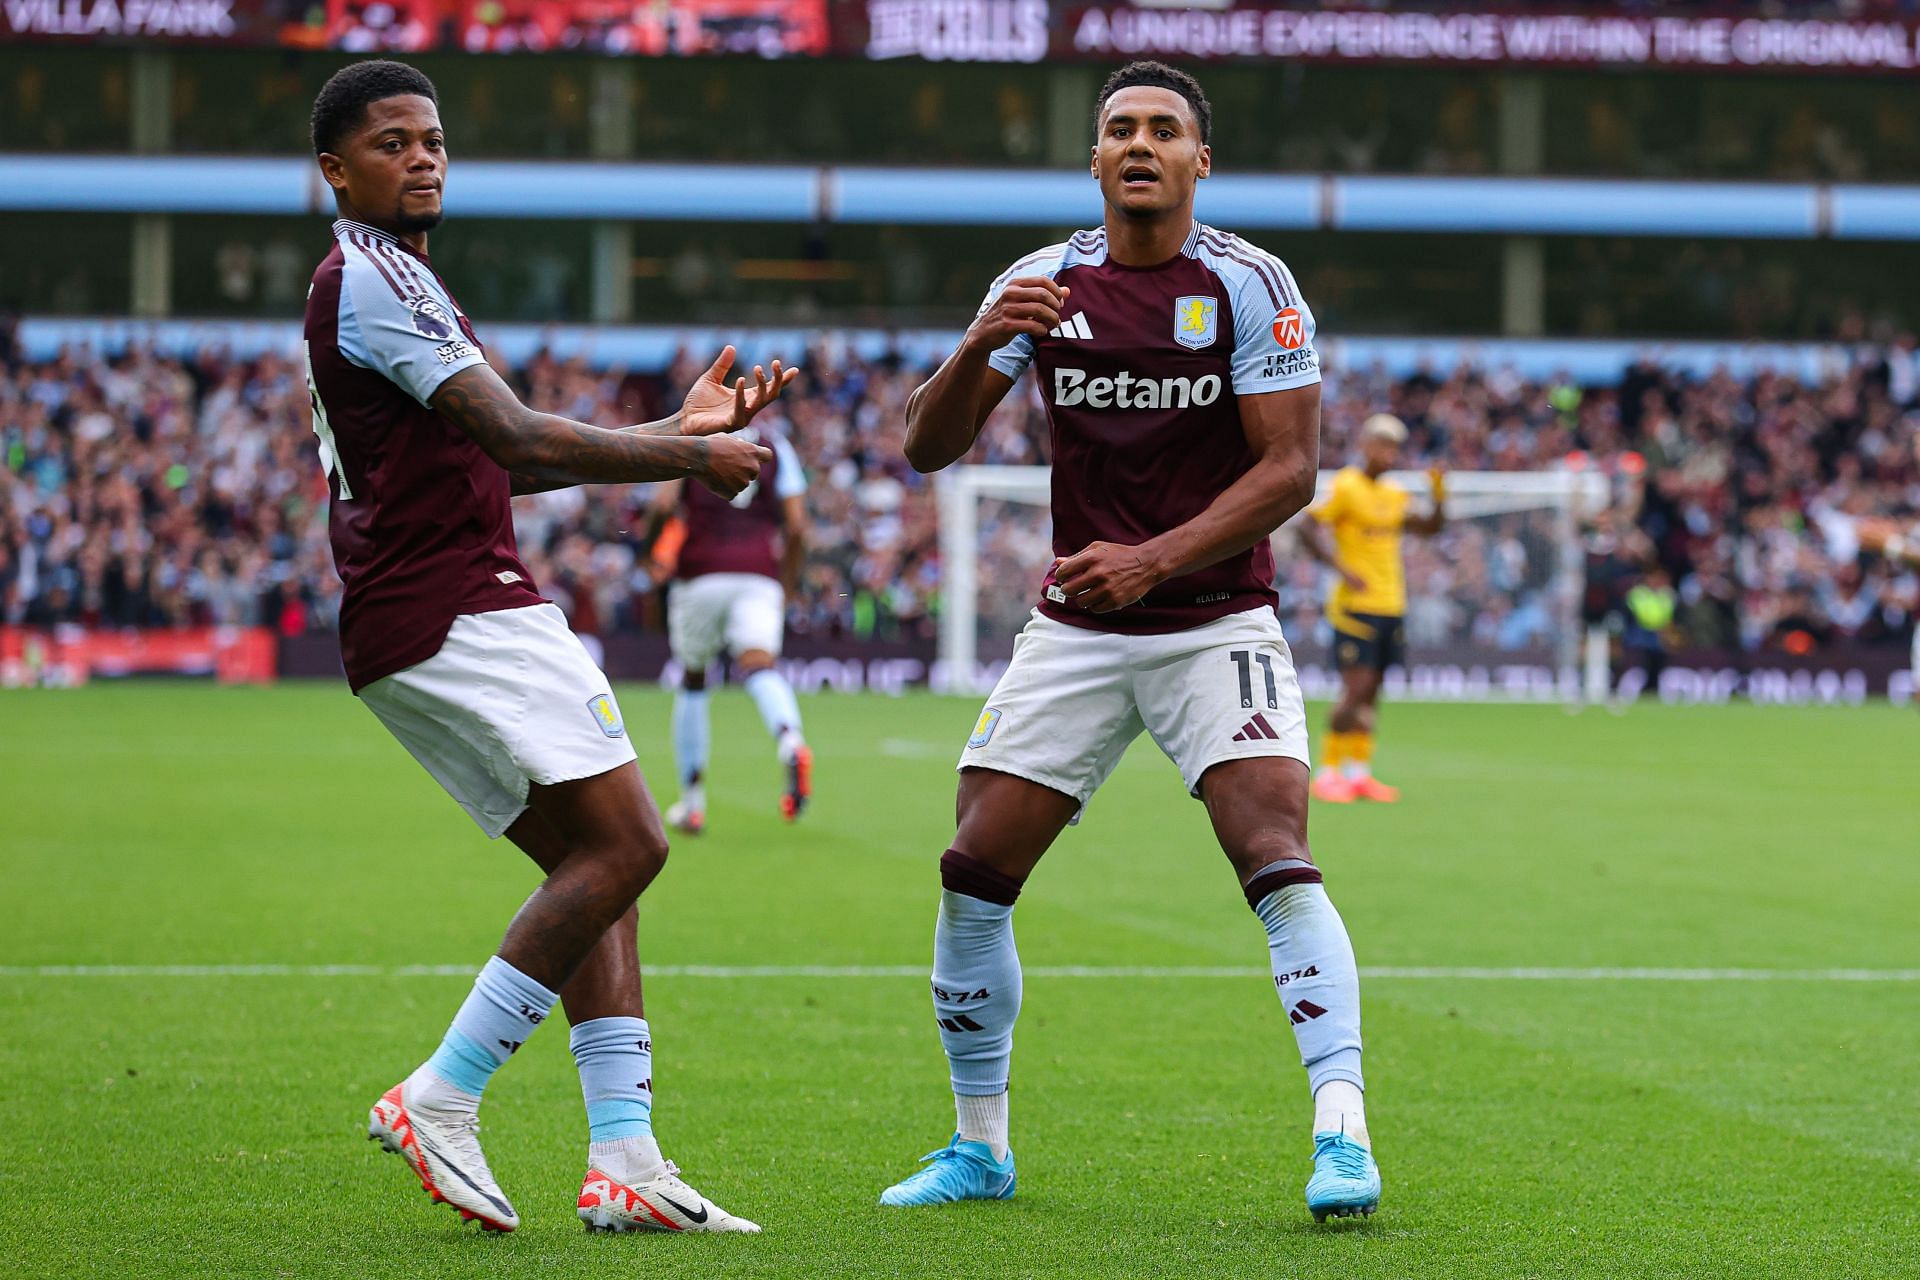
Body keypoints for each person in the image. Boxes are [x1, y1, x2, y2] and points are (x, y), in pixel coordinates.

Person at [877, 60, 1381, 1222]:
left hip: (1214, 621)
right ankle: (978, 1142)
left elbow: (1290, 470)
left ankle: (1342, 1127)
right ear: (1095, 160)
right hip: (1078, 626)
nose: (1140, 144)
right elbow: (925, 447)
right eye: (1119, 130)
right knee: (973, 869)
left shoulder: (1250, 284)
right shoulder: (1040, 281)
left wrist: (1157, 558)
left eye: (1164, 130)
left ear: (1201, 160)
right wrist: (980, 345)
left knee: (1274, 848)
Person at [304, 60, 797, 1236]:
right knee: (629, 841)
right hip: (458, 604)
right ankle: (444, 1091)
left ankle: (624, 1155)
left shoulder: (397, 280)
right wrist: (686, 457)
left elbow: (514, 457)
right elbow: (519, 433)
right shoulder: (370, 280)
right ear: (335, 170)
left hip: (428, 608)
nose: (421, 158)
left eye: (431, 140)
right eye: (390, 143)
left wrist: (673, 427)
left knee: (595, 864)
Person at [646, 418, 813, 834]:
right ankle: (790, 740)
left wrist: (647, 555)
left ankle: (692, 802)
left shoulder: (693, 438)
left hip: (700, 571)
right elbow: (796, 526)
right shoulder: (777, 445)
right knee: (760, 665)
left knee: (694, 678)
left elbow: (663, 506)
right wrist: (788, 582)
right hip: (759, 572)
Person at [1298, 414, 1446, 803]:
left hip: (1391, 603)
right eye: (1382, 445)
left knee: (1373, 692)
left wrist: (1440, 495)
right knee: (1355, 689)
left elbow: (1430, 528)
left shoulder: (1395, 493)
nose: (1389, 454)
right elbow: (1306, 526)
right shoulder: (1346, 486)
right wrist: (1341, 569)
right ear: (1365, 445)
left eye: (1394, 447)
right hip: (1355, 607)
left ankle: (1359, 772)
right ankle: (1329, 771)